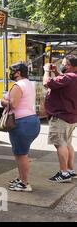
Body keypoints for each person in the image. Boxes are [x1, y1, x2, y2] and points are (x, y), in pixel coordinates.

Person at [1, 62, 40, 192]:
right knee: (21, 153)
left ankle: (24, 183)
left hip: (21, 123)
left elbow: (14, 105)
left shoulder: (18, 85)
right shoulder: (28, 83)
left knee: (21, 154)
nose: (10, 73)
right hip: (31, 121)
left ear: (18, 72)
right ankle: (21, 178)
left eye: (11, 71)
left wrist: (3, 101)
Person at [43, 55, 77, 183]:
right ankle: (69, 170)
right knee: (67, 143)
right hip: (70, 116)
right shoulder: (72, 78)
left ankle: (63, 173)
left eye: (65, 64)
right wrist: (56, 72)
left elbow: (47, 83)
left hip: (61, 117)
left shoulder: (70, 77)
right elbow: (62, 81)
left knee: (60, 144)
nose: (63, 66)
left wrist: (46, 71)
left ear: (73, 67)